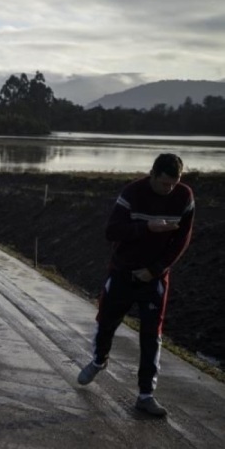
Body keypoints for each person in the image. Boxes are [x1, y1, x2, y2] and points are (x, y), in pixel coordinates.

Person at [77, 153, 194, 417]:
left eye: (173, 184)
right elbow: (112, 231)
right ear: (152, 175)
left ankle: (145, 395)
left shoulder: (184, 197)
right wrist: (146, 228)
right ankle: (99, 361)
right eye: (164, 183)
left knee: (152, 335)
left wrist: (155, 270)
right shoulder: (132, 192)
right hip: (122, 272)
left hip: (154, 278)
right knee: (106, 322)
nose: (169, 189)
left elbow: (182, 240)